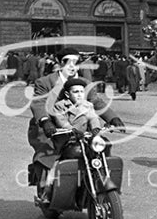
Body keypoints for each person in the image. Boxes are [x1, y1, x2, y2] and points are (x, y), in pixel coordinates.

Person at [27, 47, 124, 200]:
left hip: (81, 127)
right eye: (68, 62)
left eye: (76, 62)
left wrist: (112, 118)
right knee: (47, 154)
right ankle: (45, 189)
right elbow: (39, 103)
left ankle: (99, 178)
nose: (72, 66)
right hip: (52, 128)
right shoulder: (45, 82)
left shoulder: (85, 83)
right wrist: (45, 121)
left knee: (101, 145)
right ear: (59, 63)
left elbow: (96, 102)